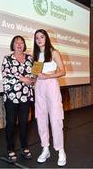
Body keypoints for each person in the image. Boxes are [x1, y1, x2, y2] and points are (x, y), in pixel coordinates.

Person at [33, 29, 66, 166]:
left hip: (51, 86)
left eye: (41, 37)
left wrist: (48, 76)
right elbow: (35, 74)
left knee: (55, 118)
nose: (39, 39)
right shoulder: (35, 55)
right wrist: (30, 80)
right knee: (41, 118)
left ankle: (60, 150)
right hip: (39, 87)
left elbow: (63, 71)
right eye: (37, 38)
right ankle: (45, 148)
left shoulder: (54, 52)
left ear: (46, 38)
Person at [2, 35, 34, 162]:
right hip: (11, 97)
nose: (19, 44)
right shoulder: (7, 58)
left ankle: (24, 147)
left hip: (25, 97)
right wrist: (23, 79)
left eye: (21, 42)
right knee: (11, 123)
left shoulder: (30, 58)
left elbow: (35, 74)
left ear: (24, 45)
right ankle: (10, 149)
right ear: (13, 45)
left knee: (24, 123)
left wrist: (33, 79)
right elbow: (6, 75)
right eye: (17, 42)